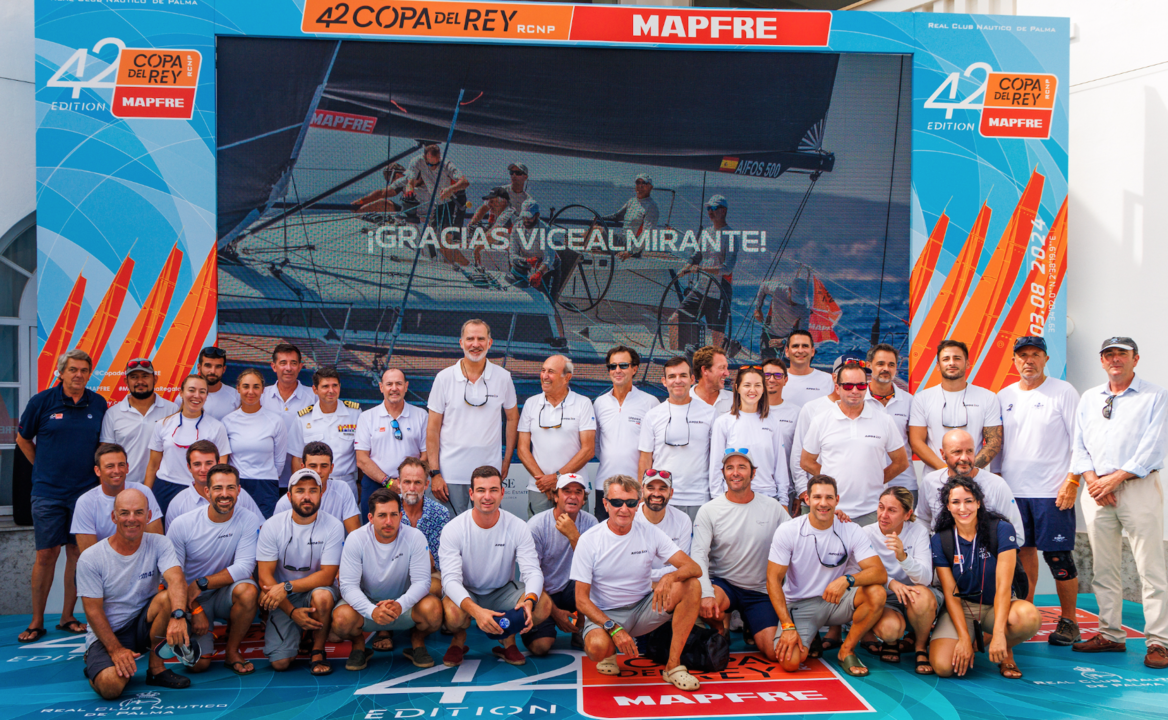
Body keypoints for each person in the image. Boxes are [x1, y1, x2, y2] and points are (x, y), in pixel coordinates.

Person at [1070, 336, 1168, 668]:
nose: (1115, 359)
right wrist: (1094, 481)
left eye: (1121, 354)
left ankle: (1159, 641)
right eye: (1109, 354)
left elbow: (1153, 447)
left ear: (1135, 359)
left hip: (1137, 487)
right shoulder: (1089, 397)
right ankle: (1110, 634)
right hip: (1096, 489)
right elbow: (1079, 444)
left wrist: (1115, 479)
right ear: (1102, 361)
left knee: (1150, 568)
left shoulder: (1154, 396)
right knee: (1103, 567)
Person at [572, 474, 704, 692]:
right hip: (606, 614)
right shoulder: (590, 539)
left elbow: (694, 568)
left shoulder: (651, 532)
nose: (624, 509)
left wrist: (669, 577)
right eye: (617, 502)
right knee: (597, 648)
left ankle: (673, 666)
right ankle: (610, 652)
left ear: (638, 504)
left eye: (631, 503)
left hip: (644, 607)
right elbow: (580, 600)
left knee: (692, 585)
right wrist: (614, 629)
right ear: (605, 504)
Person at [16, 349, 107, 642]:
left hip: (85, 493)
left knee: (78, 555)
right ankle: (37, 621)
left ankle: (68, 617)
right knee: (46, 555)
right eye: (73, 370)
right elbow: (23, 439)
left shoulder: (99, 403)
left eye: (83, 370)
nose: (78, 374)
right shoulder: (41, 402)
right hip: (48, 492)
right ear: (61, 372)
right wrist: (41, 466)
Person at [996, 336, 1083, 645]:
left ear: (1046, 359)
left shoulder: (1064, 391)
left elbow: (1080, 441)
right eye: (1022, 355)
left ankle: (1070, 620)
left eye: (1035, 354)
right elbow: (998, 446)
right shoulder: (1004, 396)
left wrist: (1073, 481)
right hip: (1013, 492)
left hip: (1053, 492)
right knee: (1022, 554)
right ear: (1014, 361)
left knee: (1059, 558)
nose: (1028, 360)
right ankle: (1027, 614)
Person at [767, 475, 887, 678]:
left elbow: (879, 572)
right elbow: (773, 581)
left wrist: (847, 580)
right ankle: (810, 636)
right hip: (800, 604)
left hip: (835, 600)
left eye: (829, 498)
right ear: (807, 499)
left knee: (876, 593)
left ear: (837, 500)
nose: (823, 503)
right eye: (817, 497)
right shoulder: (789, 530)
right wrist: (787, 626)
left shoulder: (850, 529)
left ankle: (846, 650)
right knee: (791, 663)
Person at [77, 489, 190, 698]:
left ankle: (156, 669)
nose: (132, 519)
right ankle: (96, 667)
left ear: (148, 516)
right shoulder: (91, 557)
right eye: (124, 513)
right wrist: (115, 650)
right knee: (111, 687)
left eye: (139, 512)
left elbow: (176, 580)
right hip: (108, 633)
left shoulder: (160, 543)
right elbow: (92, 611)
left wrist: (178, 615)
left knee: (167, 598)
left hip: (141, 624)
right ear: (114, 517)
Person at [929, 476, 1041, 679]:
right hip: (962, 607)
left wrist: (998, 634)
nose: (963, 508)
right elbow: (950, 593)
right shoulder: (941, 539)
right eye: (956, 502)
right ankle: (969, 640)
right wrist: (963, 638)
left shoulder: (1001, 529)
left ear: (979, 503)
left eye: (969, 501)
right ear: (948, 506)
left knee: (1028, 616)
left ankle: (1003, 648)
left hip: (997, 604)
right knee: (944, 667)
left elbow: (1003, 586)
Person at [438, 466, 547, 668]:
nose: (487, 496)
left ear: (502, 493)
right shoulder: (453, 529)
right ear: (471, 494)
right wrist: (477, 612)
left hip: (502, 590)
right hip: (468, 590)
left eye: (493, 490)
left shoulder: (517, 526)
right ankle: (458, 640)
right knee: (452, 615)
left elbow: (532, 571)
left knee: (542, 604)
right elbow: (450, 580)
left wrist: (529, 602)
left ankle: (507, 639)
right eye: (481, 490)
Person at [693, 449, 790, 659]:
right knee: (696, 598)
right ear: (723, 473)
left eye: (742, 467)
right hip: (724, 585)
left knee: (776, 654)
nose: (735, 472)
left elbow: (797, 537)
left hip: (760, 591)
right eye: (730, 468)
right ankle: (720, 630)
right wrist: (706, 594)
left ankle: (751, 622)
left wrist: (831, 519)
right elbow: (699, 555)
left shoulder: (772, 507)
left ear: (753, 473)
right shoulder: (709, 510)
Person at [166, 464, 261, 675]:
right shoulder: (182, 524)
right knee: (199, 665)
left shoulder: (249, 519)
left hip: (218, 591)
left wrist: (202, 583)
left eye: (230, 488)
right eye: (218, 488)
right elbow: (173, 577)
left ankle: (232, 651)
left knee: (248, 590)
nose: (224, 494)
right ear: (207, 491)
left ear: (238, 490)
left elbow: (245, 567)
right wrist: (195, 608)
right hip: (190, 598)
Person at [334, 488, 443, 671]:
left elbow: (422, 582)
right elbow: (348, 587)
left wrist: (400, 604)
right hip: (367, 603)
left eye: (394, 515)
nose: (388, 521)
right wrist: (371, 610)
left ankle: (417, 641)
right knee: (340, 620)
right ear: (370, 518)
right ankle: (359, 645)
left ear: (401, 515)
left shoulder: (415, 537)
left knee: (433, 611)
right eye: (382, 515)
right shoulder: (356, 539)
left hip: (404, 604)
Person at [256, 468, 345, 675]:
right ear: (289, 496)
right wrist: (292, 612)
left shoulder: (333, 525)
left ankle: (317, 650)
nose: (307, 497)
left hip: (309, 591)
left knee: (323, 595)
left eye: (313, 491)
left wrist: (286, 587)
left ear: (321, 494)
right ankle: (301, 632)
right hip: (283, 597)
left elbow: (327, 575)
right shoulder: (272, 526)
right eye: (300, 491)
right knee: (280, 663)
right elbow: (265, 577)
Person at [800, 361, 909, 525]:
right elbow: (806, 461)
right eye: (848, 386)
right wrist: (830, 480)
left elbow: (901, 462)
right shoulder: (821, 421)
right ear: (838, 388)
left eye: (861, 386)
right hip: (832, 511)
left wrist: (875, 478)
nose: (855, 391)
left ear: (867, 387)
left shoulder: (884, 420)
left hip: (872, 511)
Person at [427, 320, 519, 515]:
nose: (475, 344)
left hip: (489, 475)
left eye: (480, 339)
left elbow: (512, 418)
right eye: (470, 339)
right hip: (450, 475)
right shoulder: (444, 378)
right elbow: (433, 429)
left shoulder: (503, 377)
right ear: (461, 343)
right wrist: (434, 472)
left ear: (490, 343)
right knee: (451, 534)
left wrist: (507, 460)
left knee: (488, 531)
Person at [860, 486, 938, 674]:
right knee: (890, 630)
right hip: (885, 598)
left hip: (914, 596)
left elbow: (925, 578)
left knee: (922, 596)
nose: (883, 515)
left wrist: (903, 557)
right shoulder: (866, 533)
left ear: (907, 514)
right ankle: (892, 640)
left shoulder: (918, 531)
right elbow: (860, 574)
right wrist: (891, 583)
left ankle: (920, 646)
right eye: (881, 508)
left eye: (892, 510)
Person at [789, 353, 871, 516]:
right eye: (847, 374)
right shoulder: (813, 408)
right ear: (835, 378)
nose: (853, 384)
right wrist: (803, 491)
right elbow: (799, 456)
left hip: (862, 505)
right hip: (820, 499)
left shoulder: (873, 412)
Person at [524, 473, 598, 655]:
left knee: (595, 579)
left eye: (578, 492)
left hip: (573, 589)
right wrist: (556, 614)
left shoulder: (591, 523)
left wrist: (574, 536)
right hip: (544, 592)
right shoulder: (536, 525)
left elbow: (597, 569)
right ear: (555, 496)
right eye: (566, 491)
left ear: (583, 500)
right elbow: (530, 576)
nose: (572, 496)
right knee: (540, 647)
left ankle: (580, 627)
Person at [517, 355, 596, 517]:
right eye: (543, 370)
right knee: (538, 539)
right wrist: (545, 483)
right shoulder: (531, 403)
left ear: (567, 377)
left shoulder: (583, 403)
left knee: (576, 538)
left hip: (573, 488)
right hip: (539, 488)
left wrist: (557, 478)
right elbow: (522, 449)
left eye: (551, 372)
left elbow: (588, 450)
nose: (544, 376)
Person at [638, 357, 715, 521]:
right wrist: (642, 496)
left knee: (698, 547)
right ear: (664, 381)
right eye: (672, 377)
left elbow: (716, 459)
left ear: (692, 379)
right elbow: (645, 460)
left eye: (683, 375)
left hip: (700, 499)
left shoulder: (710, 413)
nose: (677, 381)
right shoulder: (653, 415)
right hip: (662, 498)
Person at [915, 429, 1025, 544]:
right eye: (957, 452)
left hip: (987, 555)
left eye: (969, 451)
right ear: (943, 454)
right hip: (944, 555)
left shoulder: (996, 484)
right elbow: (922, 521)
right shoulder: (930, 481)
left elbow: (1017, 535)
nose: (964, 458)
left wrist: (995, 555)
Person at [909, 339, 1003, 472]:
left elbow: (994, 442)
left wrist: (968, 470)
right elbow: (917, 442)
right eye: (946, 359)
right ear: (938, 365)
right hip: (935, 478)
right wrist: (946, 470)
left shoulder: (987, 397)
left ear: (968, 363)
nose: (951, 363)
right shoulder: (922, 399)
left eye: (957, 358)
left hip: (974, 478)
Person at [144, 375, 230, 516]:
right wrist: (146, 496)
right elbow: (153, 465)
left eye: (202, 391)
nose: (196, 396)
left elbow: (221, 468)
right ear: (181, 393)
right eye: (192, 390)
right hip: (164, 489)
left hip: (201, 491)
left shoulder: (217, 427)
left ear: (207, 396)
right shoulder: (163, 424)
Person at [592, 346, 659, 520]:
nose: (617, 370)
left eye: (623, 365)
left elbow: (655, 449)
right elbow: (597, 444)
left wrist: (644, 487)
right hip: (604, 486)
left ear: (634, 368)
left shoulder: (650, 403)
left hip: (637, 488)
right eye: (612, 366)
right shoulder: (599, 403)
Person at [355, 367, 428, 517]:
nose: (394, 388)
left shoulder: (421, 415)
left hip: (411, 486)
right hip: (375, 484)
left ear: (406, 386)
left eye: (399, 384)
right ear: (381, 387)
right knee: (374, 532)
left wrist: (407, 482)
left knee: (411, 530)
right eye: (389, 384)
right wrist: (389, 482)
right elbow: (362, 459)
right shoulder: (366, 417)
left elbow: (426, 455)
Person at [709, 367, 789, 500]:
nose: (752, 390)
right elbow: (716, 465)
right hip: (732, 496)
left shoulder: (773, 422)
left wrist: (784, 500)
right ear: (737, 388)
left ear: (763, 389)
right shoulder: (723, 422)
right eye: (747, 385)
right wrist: (717, 499)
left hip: (767, 495)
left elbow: (780, 464)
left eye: (757, 385)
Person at [100, 358, 178, 485]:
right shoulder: (112, 413)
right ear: (126, 381)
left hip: (162, 486)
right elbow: (104, 455)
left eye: (145, 376)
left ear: (155, 379)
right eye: (134, 377)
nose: (140, 381)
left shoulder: (172, 410)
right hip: (124, 486)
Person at [223, 368, 289, 518]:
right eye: (246, 386)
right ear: (238, 388)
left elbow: (279, 462)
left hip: (266, 486)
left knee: (264, 530)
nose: (250, 391)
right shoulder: (227, 421)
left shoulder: (276, 421)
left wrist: (266, 478)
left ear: (262, 390)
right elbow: (225, 459)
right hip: (237, 485)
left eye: (256, 387)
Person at [289, 367, 362, 502]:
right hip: (313, 485)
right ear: (315, 390)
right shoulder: (303, 418)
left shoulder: (355, 413)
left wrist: (359, 484)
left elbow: (361, 453)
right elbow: (297, 458)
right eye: (325, 386)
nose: (331, 390)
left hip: (346, 483)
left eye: (335, 385)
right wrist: (300, 486)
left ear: (340, 387)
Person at [73, 443, 163, 552]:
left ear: (127, 468)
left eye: (121, 465)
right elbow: (89, 554)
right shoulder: (85, 502)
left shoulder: (144, 492)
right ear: (97, 471)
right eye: (110, 466)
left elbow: (157, 542)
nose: (117, 470)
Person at [165, 440, 264, 529]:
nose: (203, 469)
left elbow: (259, 526)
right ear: (189, 467)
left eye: (209, 463)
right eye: (197, 464)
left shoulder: (240, 494)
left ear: (218, 463)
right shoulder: (177, 504)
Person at [274, 441, 361, 534]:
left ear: (331, 468)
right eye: (313, 466)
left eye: (324, 466)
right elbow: (277, 538)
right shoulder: (284, 503)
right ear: (303, 467)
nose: (318, 471)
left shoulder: (342, 489)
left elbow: (354, 533)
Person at [867, 343, 918, 499]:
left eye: (891, 365)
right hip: (867, 484)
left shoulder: (910, 401)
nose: (886, 369)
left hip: (904, 484)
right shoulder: (858, 401)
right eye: (880, 364)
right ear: (869, 366)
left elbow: (915, 441)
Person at [261, 343, 315, 488]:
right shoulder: (261, 396)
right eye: (283, 363)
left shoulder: (314, 397)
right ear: (273, 366)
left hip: (303, 482)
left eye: (293, 363)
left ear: (300, 366)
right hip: (267, 479)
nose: (288, 368)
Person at [633, 469, 694, 583]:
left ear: (671, 493)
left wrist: (658, 579)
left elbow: (683, 565)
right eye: (650, 488)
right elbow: (629, 569)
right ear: (642, 491)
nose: (656, 494)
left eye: (662, 488)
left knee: (692, 584)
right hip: (635, 585)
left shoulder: (682, 519)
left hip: (669, 583)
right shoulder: (631, 517)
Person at [404, 143, 470, 230]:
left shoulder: (446, 164)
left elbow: (465, 182)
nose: (434, 167)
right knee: (433, 231)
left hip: (454, 199)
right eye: (431, 165)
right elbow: (410, 182)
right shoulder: (417, 161)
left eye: (437, 164)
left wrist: (450, 189)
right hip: (439, 201)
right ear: (425, 158)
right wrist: (409, 192)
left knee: (449, 234)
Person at [754, 273, 812, 360]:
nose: (795, 303)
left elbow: (802, 334)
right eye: (794, 299)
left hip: (788, 338)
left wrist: (784, 341)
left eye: (798, 301)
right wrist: (758, 308)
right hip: (770, 333)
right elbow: (763, 286)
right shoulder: (778, 289)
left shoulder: (805, 307)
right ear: (789, 290)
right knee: (767, 363)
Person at [606, 173, 659, 253]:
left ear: (650, 187)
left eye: (644, 183)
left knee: (597, 231)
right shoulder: (632, 201)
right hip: (622, 240)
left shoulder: (652, 207)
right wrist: (599, 218)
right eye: (638, 182)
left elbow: (647, 233)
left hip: (630, 245)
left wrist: (631, 251)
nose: (640, 186)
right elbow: (617, 216)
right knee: (592, 232)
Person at [781, 330, 833, 407]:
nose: (800, 351)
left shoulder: (828, 381)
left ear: (812, 351)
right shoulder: (774, 380)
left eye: (805, 346)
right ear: (787, 352)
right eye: (795, 346)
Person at [197, 347, 240, 421]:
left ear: (224, 369)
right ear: (199, 367)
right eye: (208, 366)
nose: (213, 371)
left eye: (218, 366)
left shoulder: (236, 396)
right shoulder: (187, 396)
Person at [690, 345, 733, 414]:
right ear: (705, 370)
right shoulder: (682, 402)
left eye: (726, 368)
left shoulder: (736, 401)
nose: (727, 373)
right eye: (722, 368)